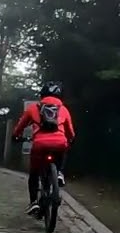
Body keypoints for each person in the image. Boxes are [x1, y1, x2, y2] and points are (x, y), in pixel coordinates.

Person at [11, 82, 76, 215]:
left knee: (34, 173)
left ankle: (34, 202)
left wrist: (15, 136)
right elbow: (70, 132)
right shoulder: (63, 109)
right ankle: (59, 173)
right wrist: (70, 139)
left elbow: (20, 126)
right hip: (59, 143)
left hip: (40, 145)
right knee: (63, 148)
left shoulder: (33, 108)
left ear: (42, 95)